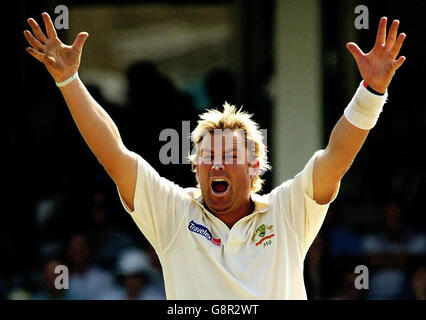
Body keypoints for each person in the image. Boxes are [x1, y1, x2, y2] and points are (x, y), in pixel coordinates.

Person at [24, 13, 406, 299]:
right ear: (195, 167)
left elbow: (336, 157)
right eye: (207, 154)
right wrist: (68, 81)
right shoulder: (174, 212)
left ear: (255, 165)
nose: (218, 162)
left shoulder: (287, 210)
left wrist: (371, 91)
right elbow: (113, 153)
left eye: (230, 153)